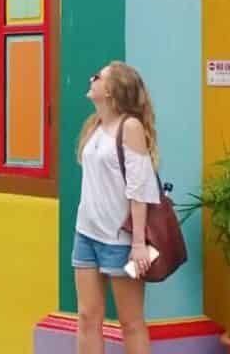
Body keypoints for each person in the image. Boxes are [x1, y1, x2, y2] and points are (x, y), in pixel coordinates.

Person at [73, 61, 161, 354]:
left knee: (130, 323)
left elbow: (140, 189)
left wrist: (138, 243)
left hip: (121, 240)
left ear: (111, 90)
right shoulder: (95, 125)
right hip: (86, 234)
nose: (91, 79)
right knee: (87, 317)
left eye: (97, 76)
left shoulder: (130, 127)